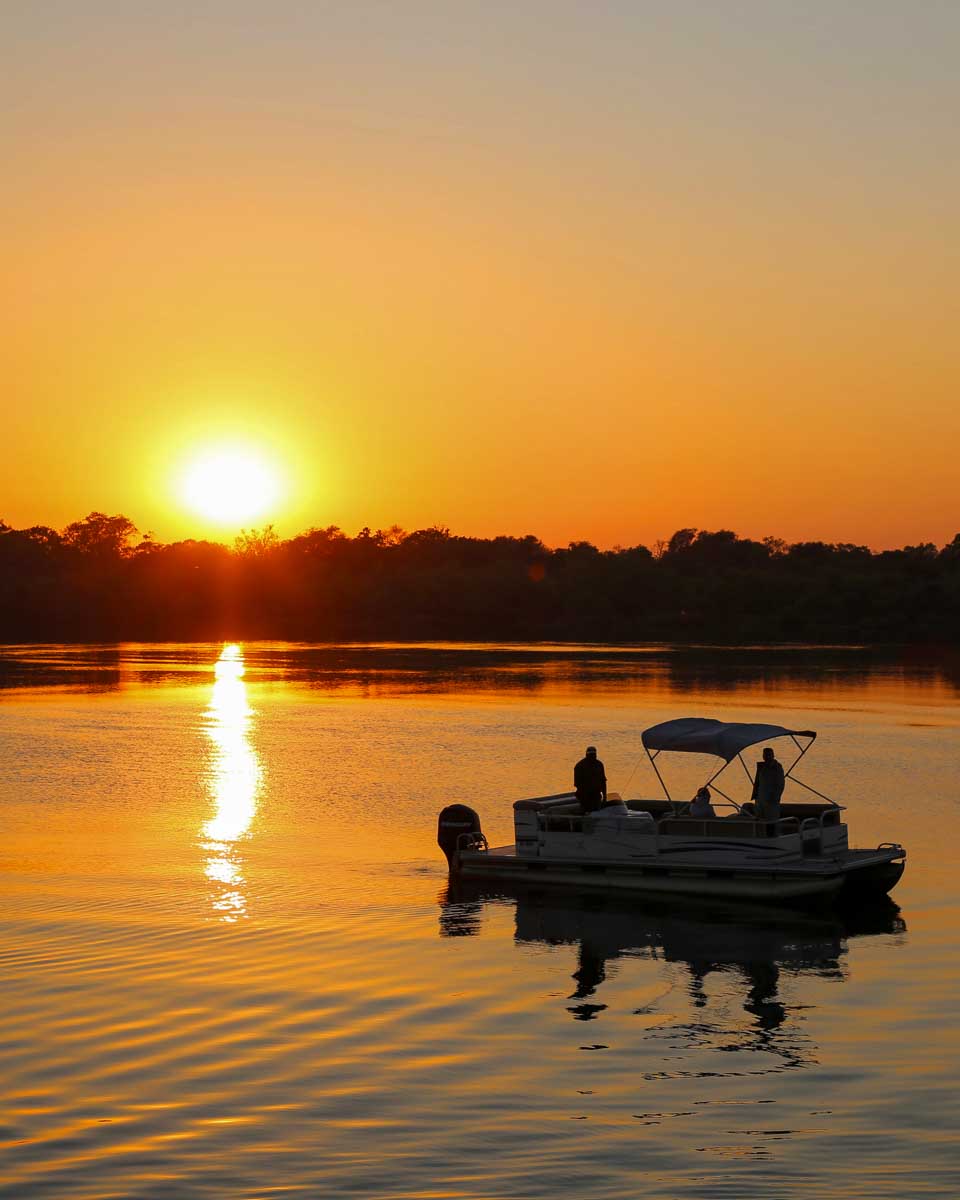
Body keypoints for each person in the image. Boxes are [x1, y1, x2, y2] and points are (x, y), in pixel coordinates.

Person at [751, 746, 785, 822]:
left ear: (773, 756)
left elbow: (780, 784)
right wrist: (756, 796)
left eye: (769, 755)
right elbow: (757, 783)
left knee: (771, 821)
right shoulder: (761, 767)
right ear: (763, 756)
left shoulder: (777, 768)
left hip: (771, 801)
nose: (767, 757)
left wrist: (775, 798)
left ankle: (772, 833)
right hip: (760, 800)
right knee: (759, 821)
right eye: (765, 755)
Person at [574, 746, 607, 814]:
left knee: (597, 812)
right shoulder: (579, 766)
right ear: (586, 755)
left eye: (594, 754)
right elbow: (577, 784)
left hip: (596, 795)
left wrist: (605, 797)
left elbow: (603, 781)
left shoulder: (599, 764)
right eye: (590, 754)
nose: (592, 756)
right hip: (583, 796)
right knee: (585, 813)